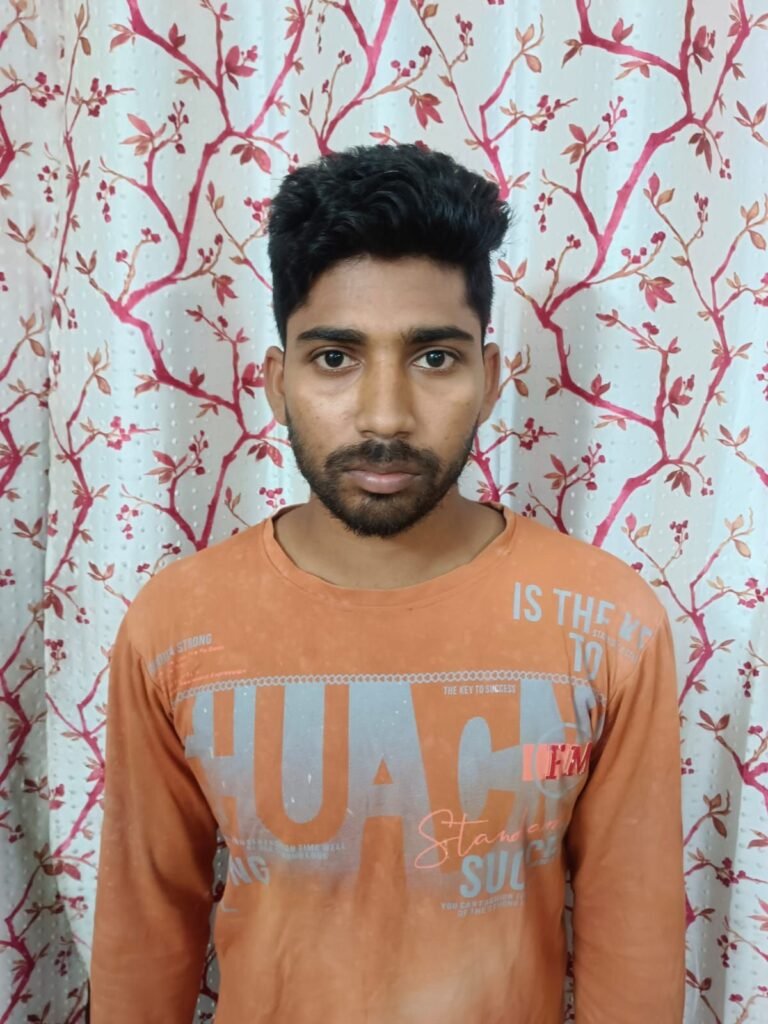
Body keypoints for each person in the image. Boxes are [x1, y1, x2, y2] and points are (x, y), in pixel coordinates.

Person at [90, 143, 686, 1023]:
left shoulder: (608, 623)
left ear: (489, 378)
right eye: (335, 357)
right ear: (276, 383)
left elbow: (633, 939)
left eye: (434, 357)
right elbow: (146, 935)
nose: (384, 416)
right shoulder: (176, 623)